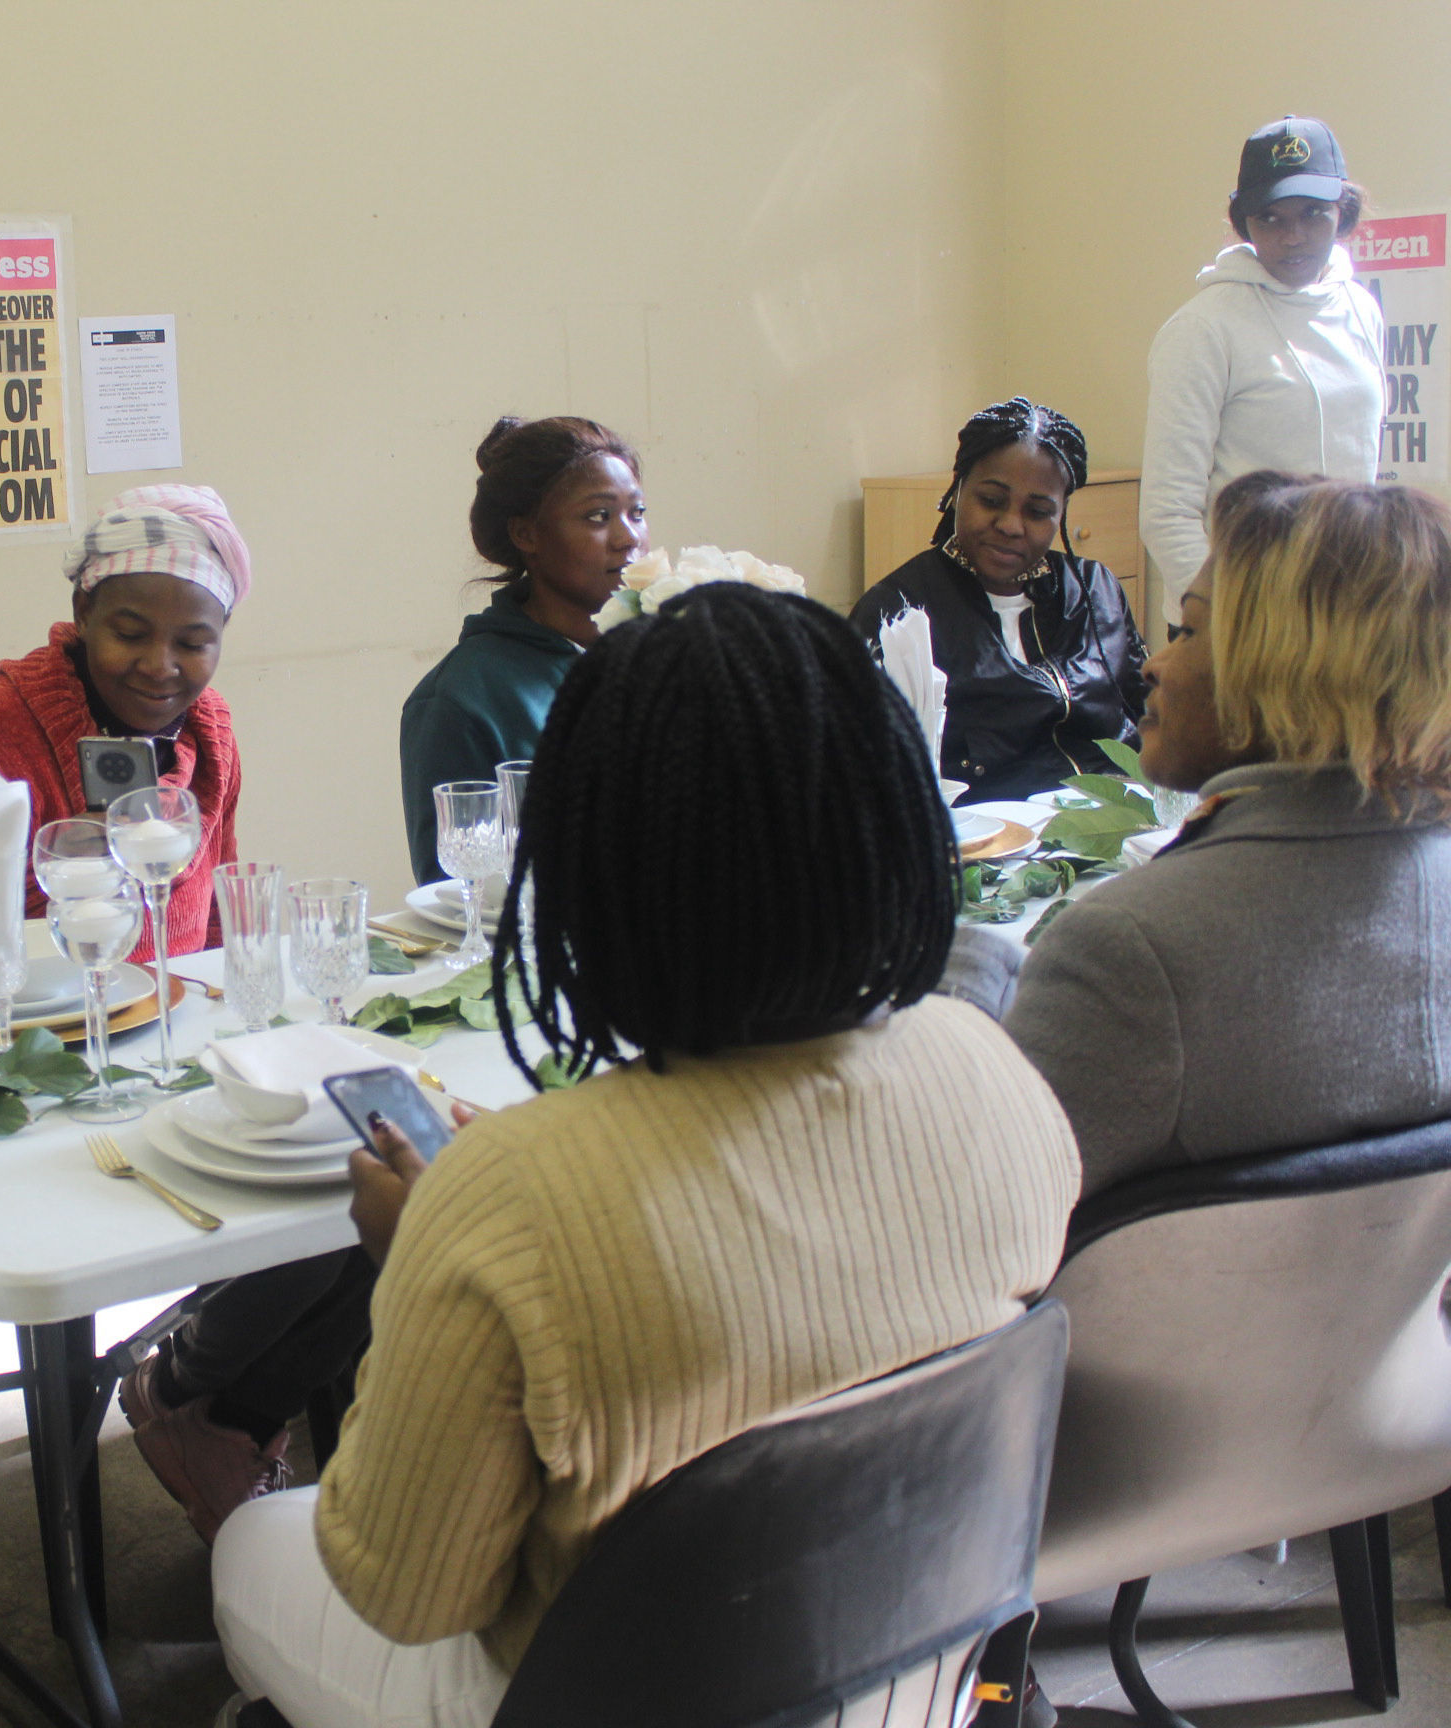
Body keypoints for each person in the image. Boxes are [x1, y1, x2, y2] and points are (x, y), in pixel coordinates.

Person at [211, 580, 1082, 1728]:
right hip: (914, 1675)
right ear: (893, 824)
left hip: (598, 1696)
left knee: (250, 1546)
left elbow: (407, 1591)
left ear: (587, 878)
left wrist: (424, 1257)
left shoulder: (509, 1201)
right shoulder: (996, 1073)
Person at [1005, 473, 1451, 1198]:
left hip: (1158, 1312)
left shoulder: (1129, 945)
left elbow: (981, 1232)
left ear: (1287, 666)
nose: (1155, 662)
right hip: (1417, 1306)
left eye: (1187, 631)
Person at [0, 483, 243, 956]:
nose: (159, 666)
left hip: (179, 1018)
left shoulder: (210, 734)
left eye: (192, 644)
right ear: (83, 613)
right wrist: (57, 875)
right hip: (34, 1027)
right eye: (129, 634)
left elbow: (217, 931)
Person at [1141, 115, 1385, 616]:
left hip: (1338, 618)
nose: (1293, 236)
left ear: (1345, 210)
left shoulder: (1361, 309)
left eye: (1314, 213)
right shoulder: (1204, 329)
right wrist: (1233, 620)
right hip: (1235, 625)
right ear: (1242, 223)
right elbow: (1167, 513)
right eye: (1270, 217)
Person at [851, 398, 1145, 801]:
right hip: (984, 843)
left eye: (1038, 511)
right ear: (957, 489)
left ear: (1061, 515)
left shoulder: (1096, 592)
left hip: (1119, 826)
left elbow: (1150, 716)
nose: (1010, 525)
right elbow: (864, 771)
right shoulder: (898, 612)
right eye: (991, 500)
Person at [397, 416, 644, 883]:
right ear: (526, 534)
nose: (628, 537)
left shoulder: (661, 662)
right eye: (599, 516)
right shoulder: (461, 699)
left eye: (638, 512)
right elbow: (455, 899)